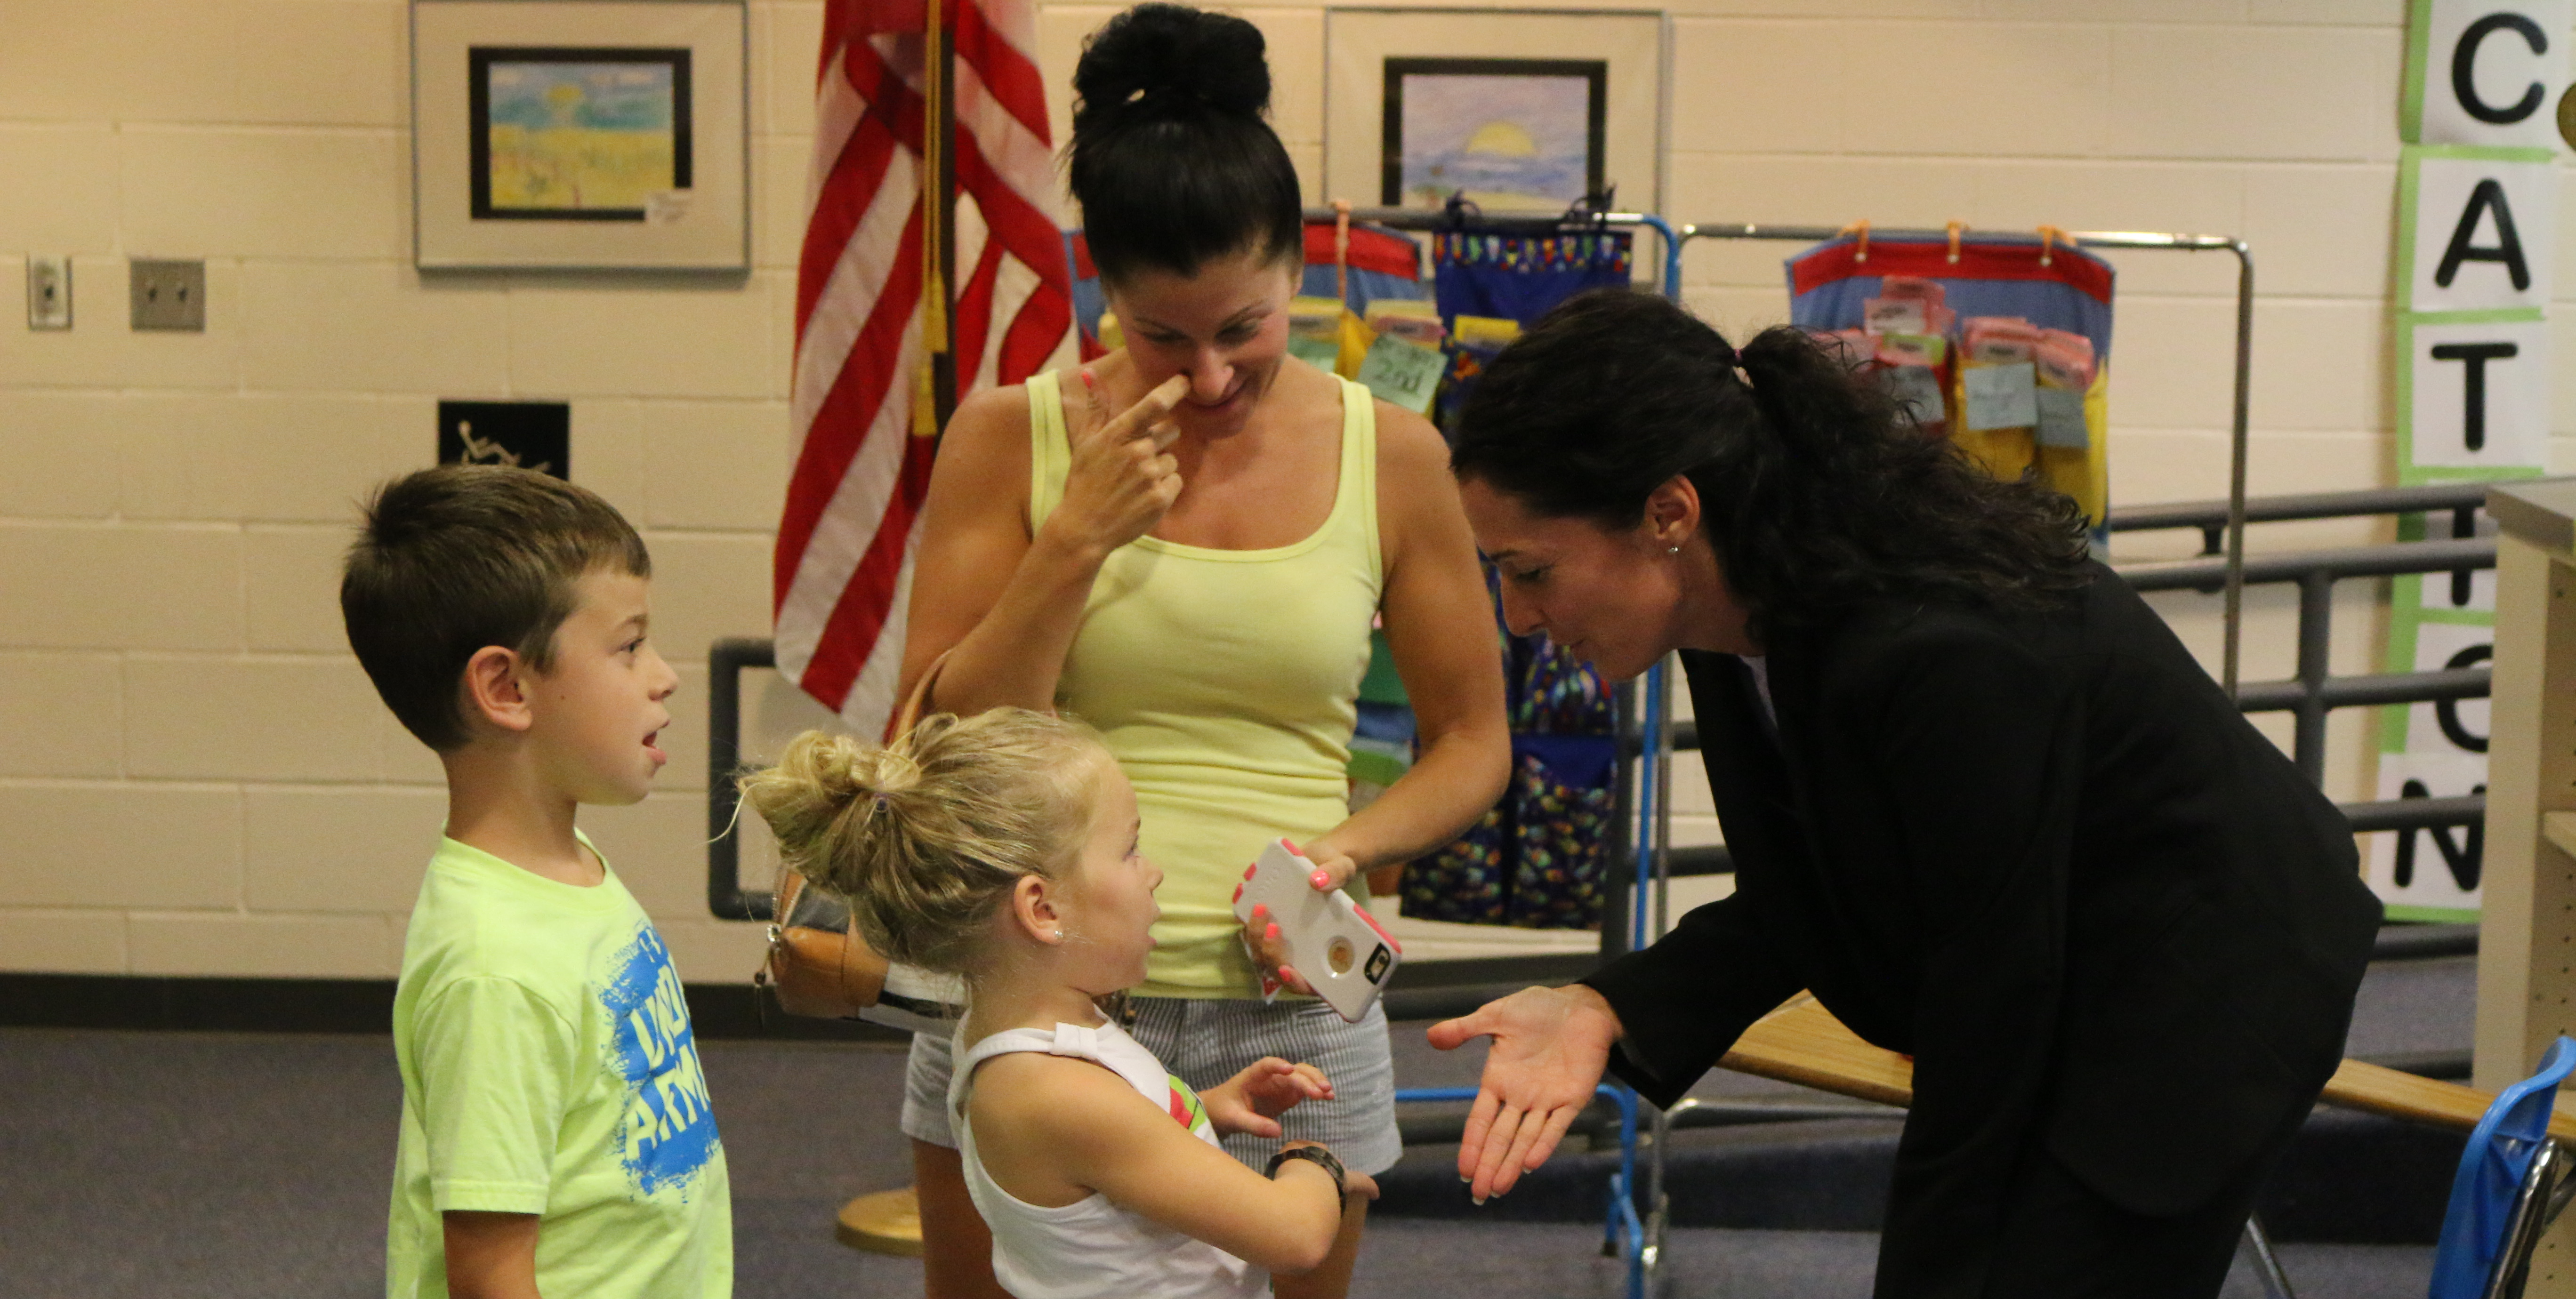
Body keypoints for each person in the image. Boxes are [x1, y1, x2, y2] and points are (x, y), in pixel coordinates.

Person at [1426, 290, 2385, 1299]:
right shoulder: (1737, 596)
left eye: (1531, 571)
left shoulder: (1938, 642)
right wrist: (1606, 1004)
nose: (1519, 618)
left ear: (1669, 512)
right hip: (2052, 957)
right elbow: (1811, 890)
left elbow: (1995, 1002)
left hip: (2204, 975)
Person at [892, 5, 1510, 1298]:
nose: (1215, 377)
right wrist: (1071, 547)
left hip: (1293, 1000)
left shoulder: (1390, 453)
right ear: (1100, 290)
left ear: (1299, 273)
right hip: (1035, 996)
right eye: (1164, 337)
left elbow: (1473, 746)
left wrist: (1347, 851)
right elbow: (933, 748)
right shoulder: (1011, 440)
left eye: (1249, 327)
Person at [742, 711, 1380, 1299]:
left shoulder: (1017, 1038)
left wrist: (1208, 1109)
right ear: (1042, 909)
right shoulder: (1057, 1094)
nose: (1152, 871)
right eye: (1130, 850)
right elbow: (1295, 1239)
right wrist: (1314, 1166)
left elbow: (1110, 1153)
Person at [344, 465, 729, 1299]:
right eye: (629, 647)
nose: (663, 674)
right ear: (507, 688)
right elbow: (489, 1275)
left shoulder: (569, 863)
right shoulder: (497, 970)